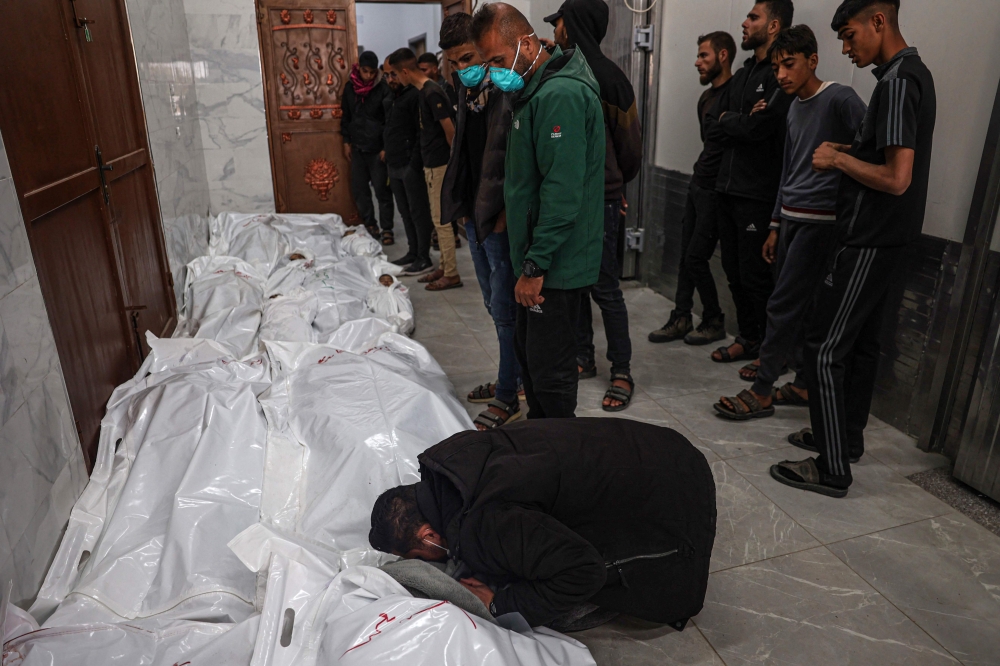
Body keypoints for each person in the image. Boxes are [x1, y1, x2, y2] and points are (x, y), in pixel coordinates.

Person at [770, 0, 935, 497]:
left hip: (871, 237)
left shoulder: (900, 82)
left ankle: (832, 466)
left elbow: (896, 177)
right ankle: (843, 440)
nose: (845, 47)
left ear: (878, 22)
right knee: (862, 346)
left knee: (823, 348)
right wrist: (844, 151)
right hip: (887, 236)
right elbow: (883, 156)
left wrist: (837, 163)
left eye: (849, 35)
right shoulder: (907, 75)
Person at [368, 418, 716, 631]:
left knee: (553, 611)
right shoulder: (455, 459)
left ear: (429, 536)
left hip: (677, 502)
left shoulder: (484, 524)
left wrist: (501, 604)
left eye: (420, 555)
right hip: (662, 446)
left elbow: (584, 572)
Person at [715, 25, 866, 421]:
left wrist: (840, 154)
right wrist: (776, 223)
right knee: (797, 304)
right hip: (793, 217)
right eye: (777, 67)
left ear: (812, 61)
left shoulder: (840, 98)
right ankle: (800, 383)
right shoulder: (794, 106)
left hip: (822, 220)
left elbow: (875, 147)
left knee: (782, 303)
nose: (781, 75)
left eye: (789, 64)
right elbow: (788, 169)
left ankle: (763, 389)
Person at [471, 2, 605, 419]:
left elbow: (562, 193)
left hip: (554, 266)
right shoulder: (531, 92)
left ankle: (560, 459)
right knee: (532, 363)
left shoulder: (561, 95)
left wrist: (535, 266)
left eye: (497, 60)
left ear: (526, 45)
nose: (492, 73)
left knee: (551, 374)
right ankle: (542, 451)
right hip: (537, 258)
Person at [543, 0, 642, 412]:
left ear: (574, 24)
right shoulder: (559, 71)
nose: (555, 31)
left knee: (604, 287)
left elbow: (630, 147)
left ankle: (621, 370)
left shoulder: (608, 79)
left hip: (598, 202)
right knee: (573, 284)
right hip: (571, 199)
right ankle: (583, 355)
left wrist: (612, 184)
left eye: (559, 22)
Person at [438, 12, 523, 429]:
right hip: (474, 214)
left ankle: (509, 396)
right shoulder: (466, 88)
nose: (462, 69)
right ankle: (514, 377)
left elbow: (512, 161)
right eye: (454, 62)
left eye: (468, 58)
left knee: (506, 310)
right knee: (493, 305)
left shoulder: (508, 87)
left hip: (499, 219)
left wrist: (502, 215)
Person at [710, 1, 794, 369]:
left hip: (757, 194)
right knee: (733, 271)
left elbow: (764, 128)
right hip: (727, 188)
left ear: (773, 26)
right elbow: (714, 120)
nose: (744, 23)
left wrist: (738, 121)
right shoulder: (744, 73)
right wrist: (737, 119)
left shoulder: (779, 75)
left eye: (753, 17)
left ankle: (765, 349)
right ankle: (747, 337)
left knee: (756, 276)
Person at [648, 32, 735, 346]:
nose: (697, 62)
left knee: (697, 257)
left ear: (723, 56)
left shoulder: (736, 93)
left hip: (716, 190)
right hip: (698, 183)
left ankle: (713, 318)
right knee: (686, 255)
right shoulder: (706, 98)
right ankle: (682, 316)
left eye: (704, 56)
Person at [388, 48, 463, 291]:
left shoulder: (432, 92)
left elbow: (449, 130)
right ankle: (444, 266)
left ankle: (451, 273)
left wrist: (454, 164)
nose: (396, 79)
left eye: (396, 74)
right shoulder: (422, 92)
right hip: (431, 163)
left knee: (441, 221)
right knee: (435, 218)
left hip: (440, 164)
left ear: (405, 71)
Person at [382, 56, 435, 275]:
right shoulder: (391, 97)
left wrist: (414, 163)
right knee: (404, 212)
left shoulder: (415, 95)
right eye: (386, 75)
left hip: (410, 164)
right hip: (394, 163)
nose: (389, 79)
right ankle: (413, 252)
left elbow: (419, 131)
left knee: (418, 212)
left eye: (392, 74)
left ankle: (424, 257)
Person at [342, 50, 395, 242]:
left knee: (382, 190)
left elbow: (389, 119)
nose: (369, 76)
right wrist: (346, 141)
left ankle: (387, 228)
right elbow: (346, 116)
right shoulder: (350, 88)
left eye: (373, 72)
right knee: (360, 189)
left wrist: (385, 147)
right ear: (359, 69)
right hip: (357, 147)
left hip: (377, 149)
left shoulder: (382, 88)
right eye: (366, 71)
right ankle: (370, 224)